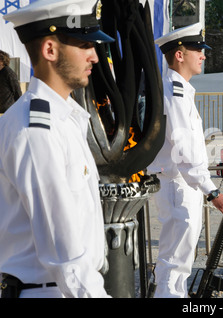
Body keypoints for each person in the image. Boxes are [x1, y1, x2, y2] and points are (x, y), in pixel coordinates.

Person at [0, 0, 115, 298]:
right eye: (84, 45)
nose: (95, 57)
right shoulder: (36, 130)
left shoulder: (63, 118)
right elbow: (63, 251)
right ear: (50, 50)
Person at [147, 22, 223, 298]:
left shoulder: (179, 89)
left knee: (178, 258)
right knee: (175, 259)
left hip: (181, 182)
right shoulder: (174, 91)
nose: (203, 55)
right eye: (197, 49)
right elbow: (183, 147)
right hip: (178, 182)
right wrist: (212, 191)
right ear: (179, 54)